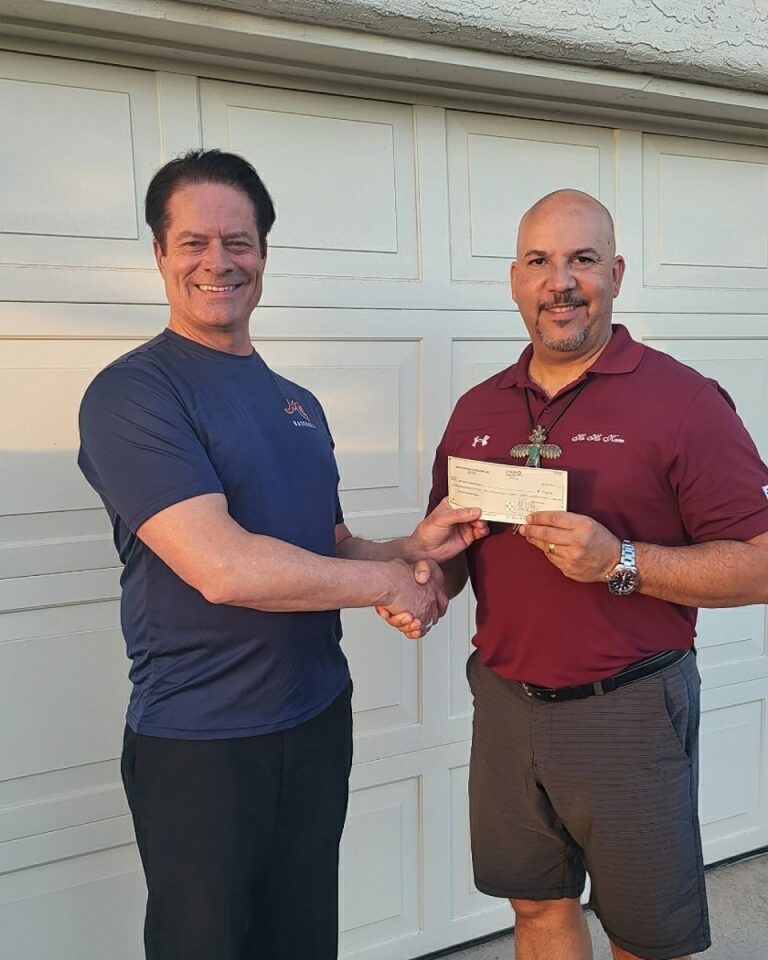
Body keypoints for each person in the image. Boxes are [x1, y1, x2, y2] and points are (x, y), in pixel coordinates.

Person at [77, 148, 486, 960]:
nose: (218, 262)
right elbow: (222, 565)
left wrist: (410, 550)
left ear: (264, 253)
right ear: (159, 252)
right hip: (202, 742)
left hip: (316, 719)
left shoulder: (295, 401)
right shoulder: (135, 393)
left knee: (301, 941)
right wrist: (387, 584)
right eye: (193, 242)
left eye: (240, 241)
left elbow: (324, 545)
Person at [393, 189, 768, 960]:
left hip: (627, 707)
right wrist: (425, 579)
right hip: (504, 704)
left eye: (582, 260)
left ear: (617, 273)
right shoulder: (479, 409)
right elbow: (455, 556)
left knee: (643, 937)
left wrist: (621, 562)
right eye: (540, 261)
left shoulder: (684, 402)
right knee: (535, 908)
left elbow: (760, 564)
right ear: (514, 280)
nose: (560, 281)